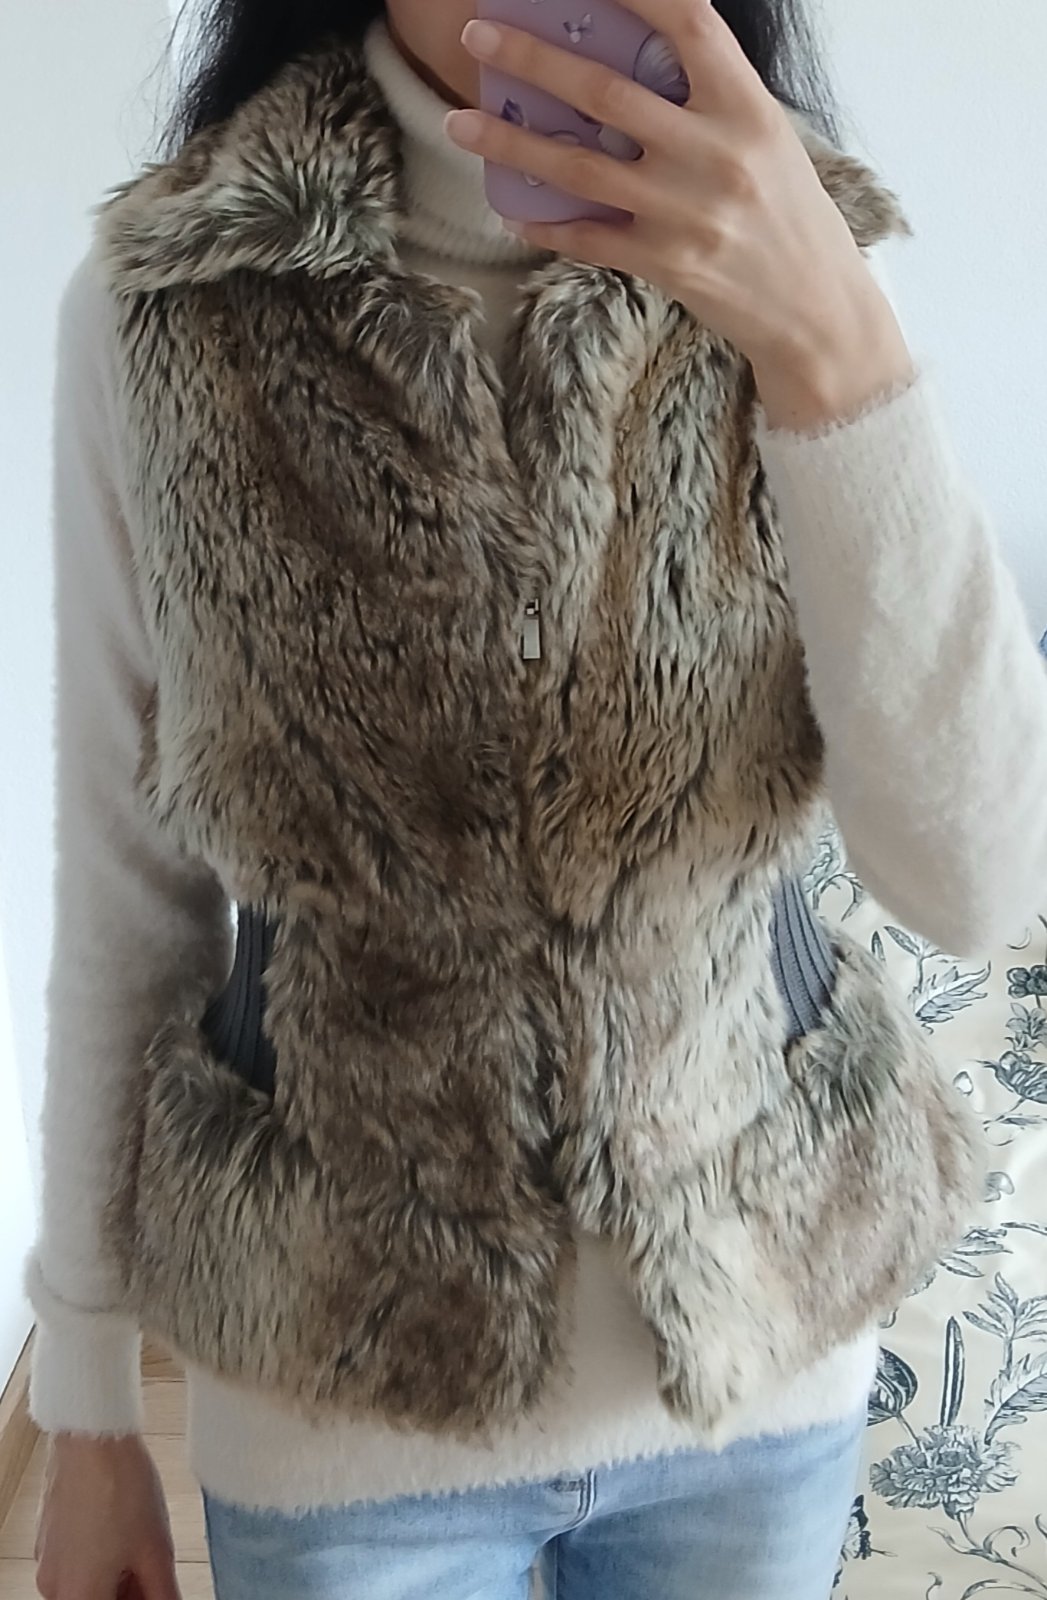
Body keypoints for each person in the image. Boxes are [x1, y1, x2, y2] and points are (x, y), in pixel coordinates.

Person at [24, 1, 1047, 1597]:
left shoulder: (806, 270)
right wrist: (87, 1402)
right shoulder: (166, 311)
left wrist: (834, 341)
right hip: (339, 1407)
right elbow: (126, 892)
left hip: (754, 1373)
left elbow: (977, 886)